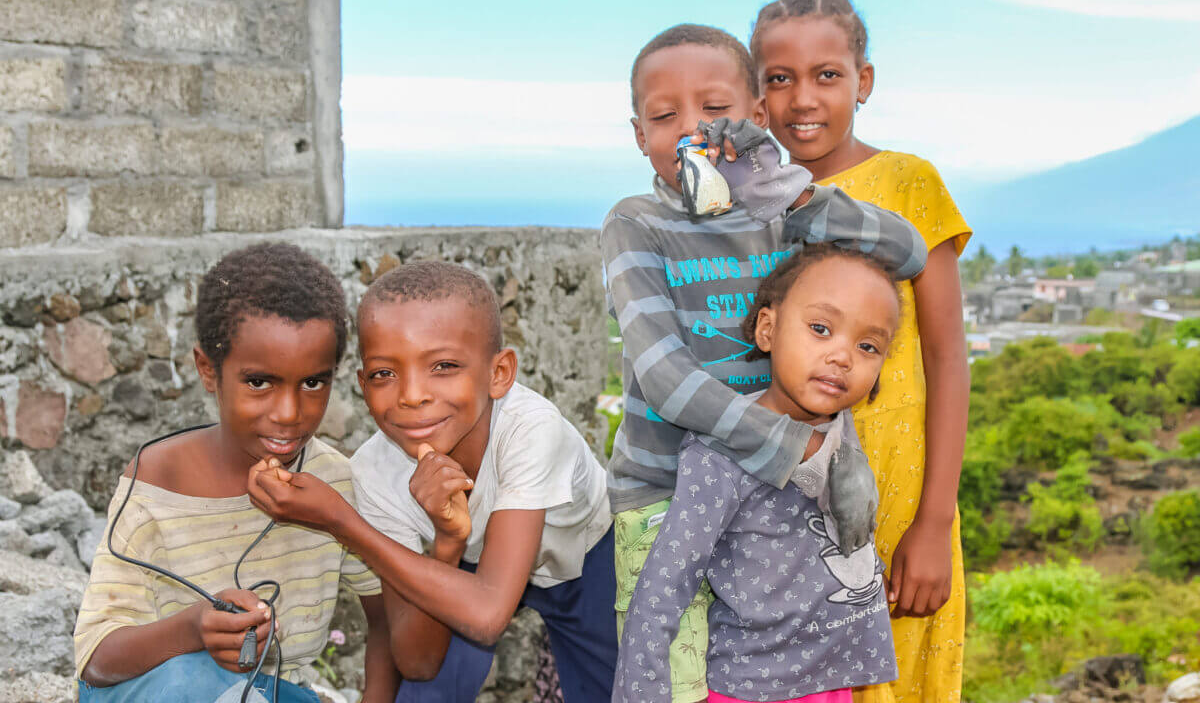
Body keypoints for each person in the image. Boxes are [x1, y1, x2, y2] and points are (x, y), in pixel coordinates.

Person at [604, 23, 927, 703]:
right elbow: (665, 381)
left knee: (775, 676)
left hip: (772, 499)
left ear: (755, 119)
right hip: (664, 493)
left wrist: (789, 192)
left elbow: (906, 254)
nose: (694, 130)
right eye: (666, 117)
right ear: (640, 135)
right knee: (672, 677)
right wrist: (799, 446)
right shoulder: (638, 224)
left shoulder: (780, 217)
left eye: (716, 111)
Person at [245, 261, 617, 703]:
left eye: (443, 365)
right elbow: (417, 662)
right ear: (363, 385)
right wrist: (447, 543)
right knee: (425, 693)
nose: (412, 395)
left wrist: (341, 523)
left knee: (617, 689)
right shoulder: (376, 471)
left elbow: (487, 613)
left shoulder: (530, 429)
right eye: (385, 373)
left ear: (499, 374)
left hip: (586, 557)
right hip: (472, 569)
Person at [751, 0, 973, 703]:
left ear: (863, 81)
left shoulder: (907, 184)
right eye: (779, 79)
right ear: (755, 97)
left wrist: (934, 522)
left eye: (827, 75)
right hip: (786, 514)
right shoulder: (744, 208)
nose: (802, 99)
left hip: (904, 500)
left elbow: (945, 358)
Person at [73, 242, 398, 703]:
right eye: (258, 382)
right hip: (158, 693)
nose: (289, 413)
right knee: (189, 681)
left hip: (275, 695)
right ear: (208, 370)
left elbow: (387, 621)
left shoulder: (335, 484)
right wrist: (194, 627)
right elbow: (97, 661)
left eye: (312, 383)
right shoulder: (157, 483)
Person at [614, 244, 904, 703]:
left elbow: (907, 249)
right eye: (821, 329)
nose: (843, 357)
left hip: (830, 683)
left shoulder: (839, 425)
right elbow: (664, 585)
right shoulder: (720, 455)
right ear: (767, 329)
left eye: (868, 346)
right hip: (752, 687)